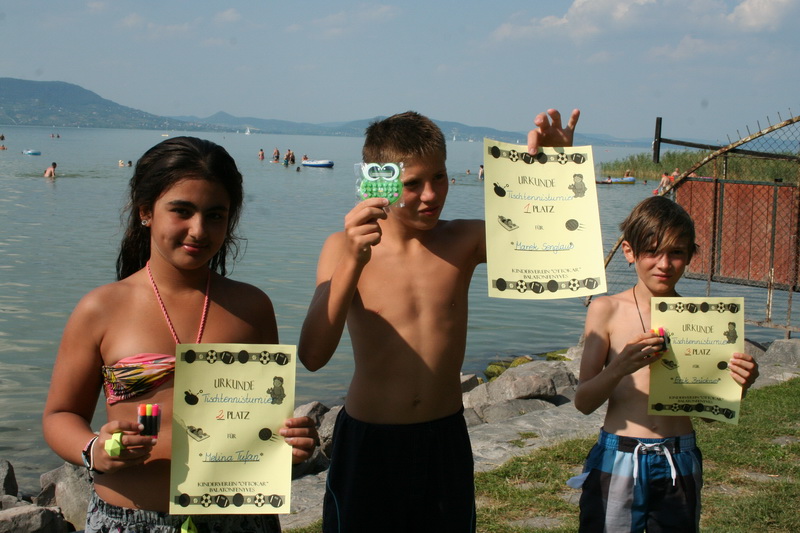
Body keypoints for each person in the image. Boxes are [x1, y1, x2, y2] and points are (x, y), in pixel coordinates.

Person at [298, 108, 580, 532]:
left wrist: (557, 170)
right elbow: (313, 355)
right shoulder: (342, 248)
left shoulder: (464, 239)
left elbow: (555, 245)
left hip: (443, 438)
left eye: (440, 177)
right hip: (368, 441)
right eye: (413, 184)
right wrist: (353, 262)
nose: (431, 195)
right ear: (378, 181)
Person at [43, 137, 319, 533]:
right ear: (145, 211)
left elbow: (263, 418)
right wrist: (93, 450)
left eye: (215, 215)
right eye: (182, 211)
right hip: (128, 519)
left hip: (240, 518)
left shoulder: (252, 307)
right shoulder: (101, 308)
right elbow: (60, 415)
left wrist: (292, 441)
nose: (198, 230)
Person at [572, 196, 759, 533]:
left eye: (676, 252)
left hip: (679, 457)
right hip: (620, 454)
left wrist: (737, 385)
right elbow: (583, 402)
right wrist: (620, 367)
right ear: (629, 252)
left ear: (690, 255)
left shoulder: (701, 321)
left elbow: (707, 411)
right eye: (652, 251)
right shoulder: (606, 309)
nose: (664, 264)